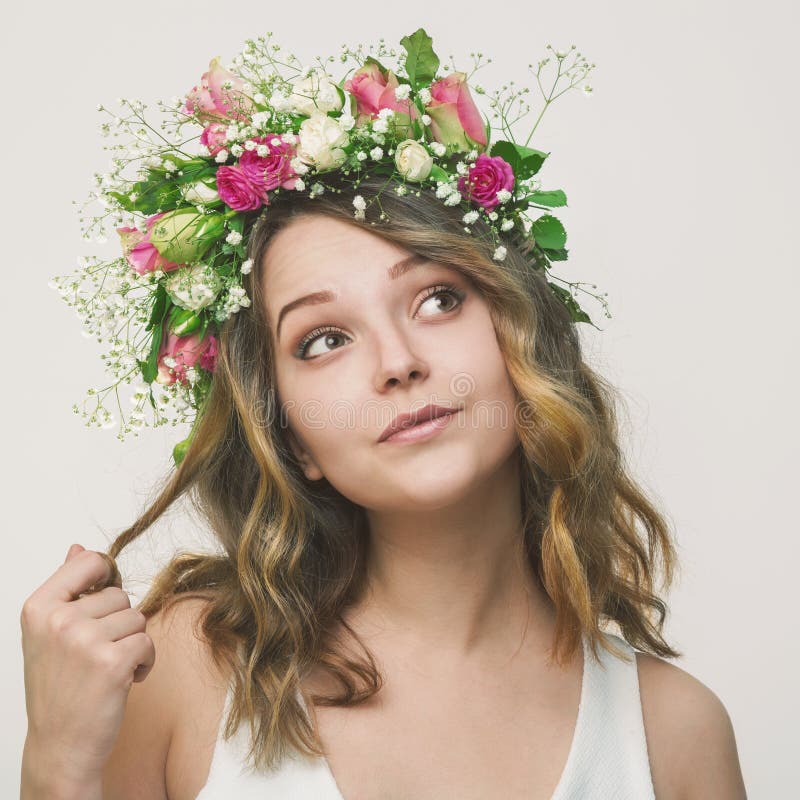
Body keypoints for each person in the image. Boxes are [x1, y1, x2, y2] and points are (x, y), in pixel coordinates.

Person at [21, 32, 748, 800]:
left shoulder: (676, 736)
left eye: (438, 299)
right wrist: (57, 762)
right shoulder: (182, 671)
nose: (397, 361)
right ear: (290, 436)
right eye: (324, 339)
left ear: (518, 338)